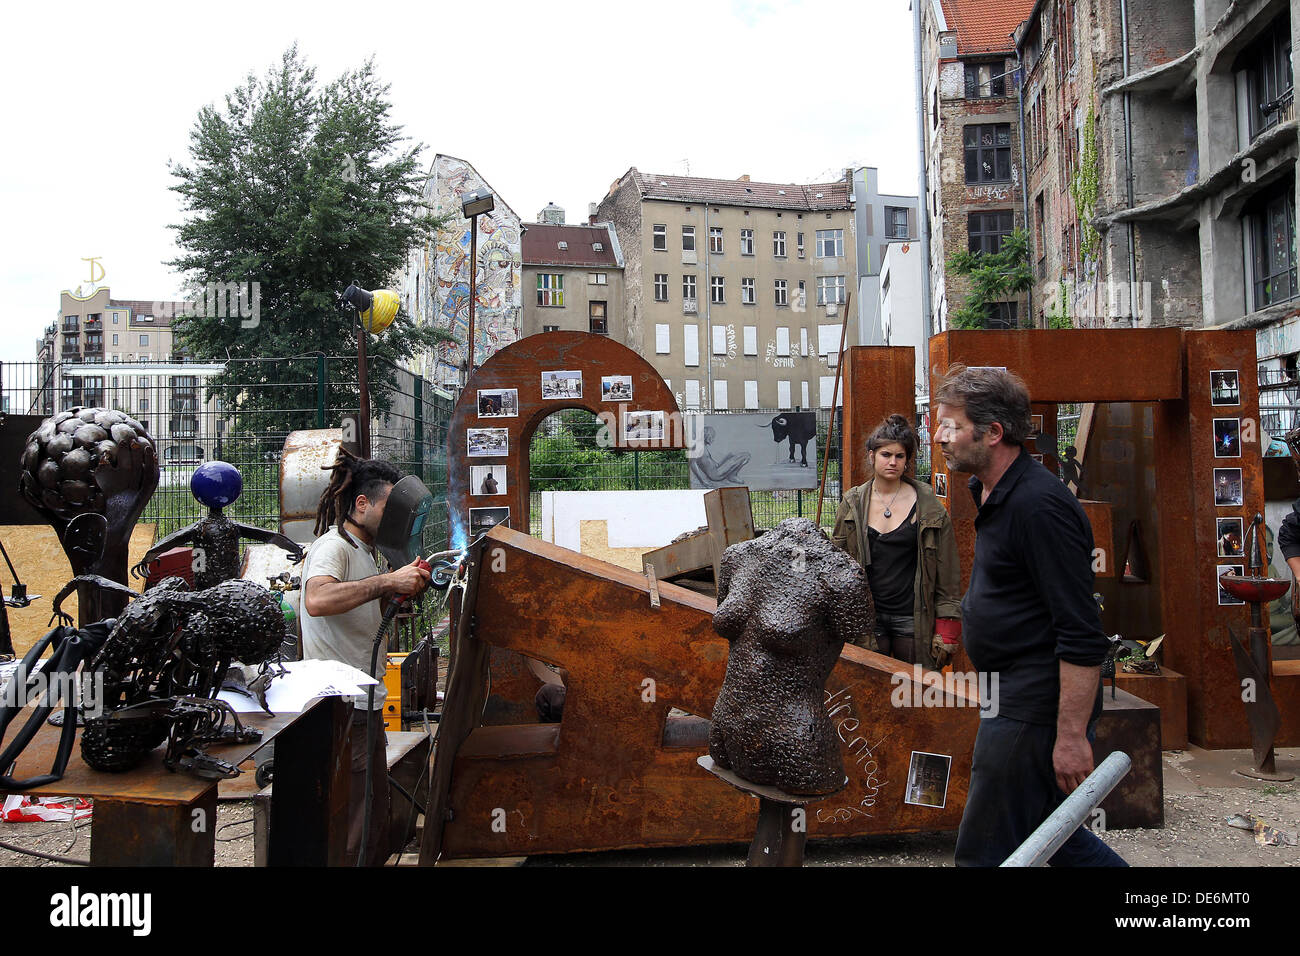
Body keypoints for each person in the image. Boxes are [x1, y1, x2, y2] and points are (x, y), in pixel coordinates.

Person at [934, 365, 1126, 867]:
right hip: (1010, 695)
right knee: (1047, 837)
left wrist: (1069, 736)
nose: (939, 437)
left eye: (951, 425)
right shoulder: (992, 491)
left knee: (987, 850)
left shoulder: (1040, 507)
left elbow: (1082, 635)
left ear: (993, 433)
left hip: (1033, 704)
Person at [300, 450, 432, 866]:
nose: (395, 517)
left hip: (365, 701)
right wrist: (388, 580)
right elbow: (318, 599)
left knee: (373, 810)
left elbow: (362, 604)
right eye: (388, 507)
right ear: (362, 504)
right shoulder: (332, 547)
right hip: (340, 705)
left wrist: (398, 588)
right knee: (354, 817)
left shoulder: (364, 551)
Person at [831, 414, 962, 670]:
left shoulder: (930, 509)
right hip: (867, 618)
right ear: (872, 456)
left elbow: (948, 576)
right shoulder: (852, 504)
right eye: (885, 455)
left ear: (907, 461)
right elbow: (836, 563)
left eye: (899, 456)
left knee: (912, 697)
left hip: (913, 618)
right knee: (869, 694)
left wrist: (947, 628)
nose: (892, 462)